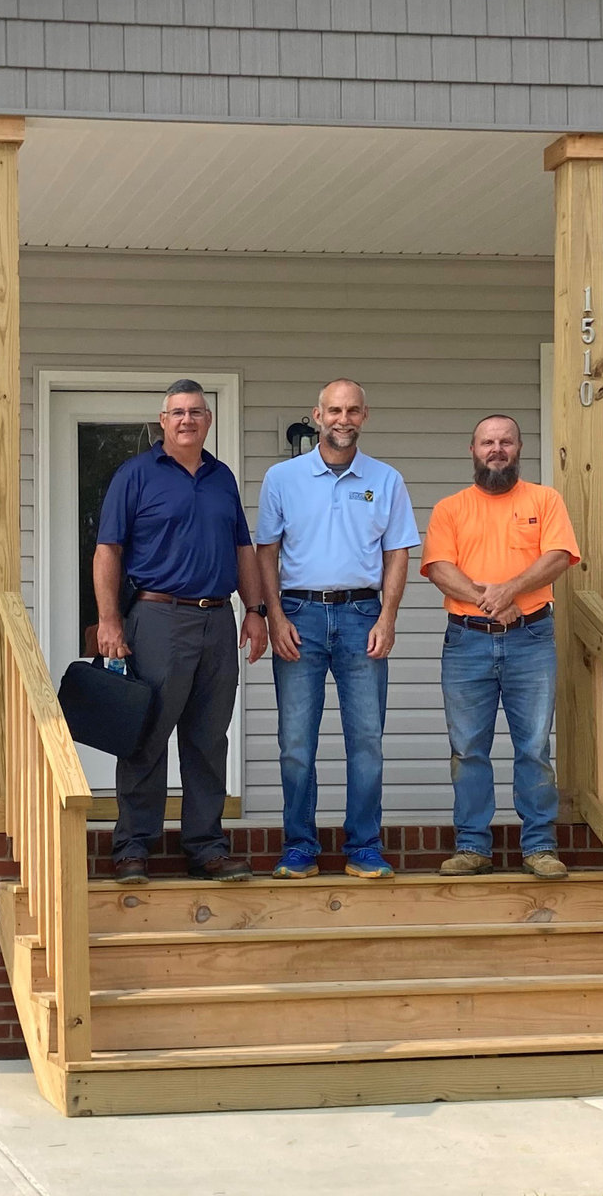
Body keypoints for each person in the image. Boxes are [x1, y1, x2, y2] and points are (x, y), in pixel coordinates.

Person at [93, 381, 270, 886]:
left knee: (209, 738)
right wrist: (109, 620)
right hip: (158, 617)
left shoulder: (222, 477)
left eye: (195, 412)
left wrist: (254, 609)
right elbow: (108, 550)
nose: (186, 420)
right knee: (146, 735)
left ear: (208, 420)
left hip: (217, 619)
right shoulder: (136, 474)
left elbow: (242, 548)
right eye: (177, 412)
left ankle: (207, 848)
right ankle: (133, 848)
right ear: (163, 420)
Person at [255, 379, 420, 882]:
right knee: (295, 743)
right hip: (299, 616)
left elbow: (397, 553)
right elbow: (267, 551)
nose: (342, 419)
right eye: (334, 411)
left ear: (364, 416)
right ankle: (299, 847)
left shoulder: (386, 480)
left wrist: (388, 617)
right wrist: (274, 616)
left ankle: (364, 847)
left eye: (351, 411)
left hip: (361, 615)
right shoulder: (282, 478)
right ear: (317, 415)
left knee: (366, 741)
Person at [418, 414, 581, 879]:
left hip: (531, 639)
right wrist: (493, 602)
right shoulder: (450, 508)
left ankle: (540, 847)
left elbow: (557, 557)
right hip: (466, 641)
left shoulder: (544, 500)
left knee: (534, 746)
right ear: (472, 450)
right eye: (487, 442)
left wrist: (509, 591)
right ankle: (472, 847)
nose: (496, 449)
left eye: (505, 442)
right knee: (468, 748)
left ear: (519, 448)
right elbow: (439, 568)